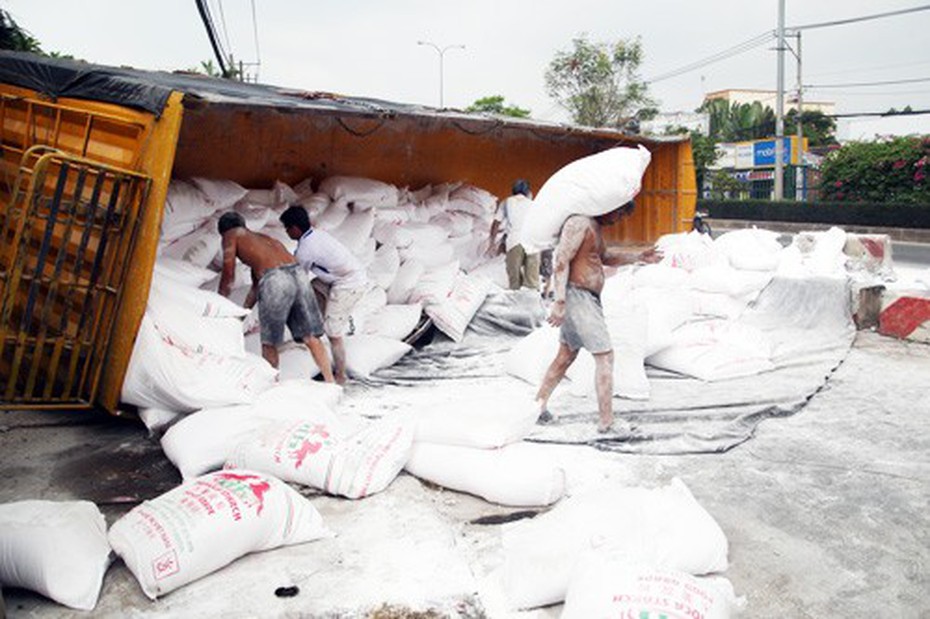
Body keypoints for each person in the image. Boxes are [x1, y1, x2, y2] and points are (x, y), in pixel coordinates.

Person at [535, 202, 661, 433]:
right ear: (608, 203)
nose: (619, 219)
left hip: (585, 298)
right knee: (605, 357)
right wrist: (559, 301)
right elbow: (561, 259)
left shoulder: (593, 226)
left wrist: (638, 256)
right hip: (577, 297)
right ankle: (606, 423)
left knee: (565, 356)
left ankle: (537, 408)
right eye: (620, 212)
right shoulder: (579, 223)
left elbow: (605, 256)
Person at [216, 211, 335, 383]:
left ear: (223, 229)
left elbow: (228, 275)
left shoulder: (231, 235)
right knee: (310, 337)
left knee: (270, 341)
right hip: (299, 275)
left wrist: (219, 304)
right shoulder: (264, 240)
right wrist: (243, 313)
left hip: (275, 279)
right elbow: (257, 287)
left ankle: (273, 385)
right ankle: (330, 382)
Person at [279, 205, 369, 385]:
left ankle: (340, 375)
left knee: (333, 333)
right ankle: (317, 327)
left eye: (287, 228)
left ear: (295, 228)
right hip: (342, 279)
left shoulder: (306, 249)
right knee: (314, 286)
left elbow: (298, 279)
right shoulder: (315, 235)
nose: (286, 232)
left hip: (349, 285)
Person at [488, 179, 541, 291]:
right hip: (532, 242)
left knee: (514, 278)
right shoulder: (533, 204)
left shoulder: (506, 202)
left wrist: (492, 241)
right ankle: (531, 302)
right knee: (532, 279)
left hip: (514, 242)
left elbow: (496, 223)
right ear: (527, 192)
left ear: (513, 190)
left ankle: (516, 300)